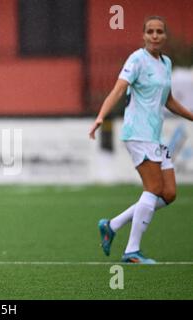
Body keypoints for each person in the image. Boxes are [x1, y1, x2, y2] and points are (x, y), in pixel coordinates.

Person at [89, 16, 193, 264]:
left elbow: (168, 101)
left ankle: (112, 225)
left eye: (159, 31)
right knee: (153, 189)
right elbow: (117, 90)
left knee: (168, 193)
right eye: (150, 31)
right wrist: (101, 116)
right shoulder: (137, 59)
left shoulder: (166, 63)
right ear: (144, 36)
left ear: (164, 36)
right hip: (137, 133)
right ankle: (131, 251)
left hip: (155, 136)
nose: (155, 35)